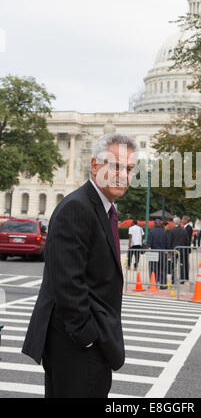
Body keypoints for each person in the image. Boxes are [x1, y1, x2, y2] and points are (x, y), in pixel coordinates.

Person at [22, 133, 137, 398]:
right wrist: (88, 337)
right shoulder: (77, 207)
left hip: (86, 341)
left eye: (129, 169)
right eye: (116, 166)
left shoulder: (102, 208)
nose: (123, 175)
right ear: (96, 166)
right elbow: (67, 283)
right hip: (75, 344)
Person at [147, 219, 170, 289]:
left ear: (154, 224)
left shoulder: (151, 231)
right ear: (160, 224)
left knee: (153, 269)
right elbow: (167, 244)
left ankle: (153, 283)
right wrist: (168, 252)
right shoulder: (164, 232)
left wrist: (146, 250)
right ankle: (163, 285)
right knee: (163, 269)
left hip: (153, 253)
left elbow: (148, 244)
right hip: (163, 253)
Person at [169, 217, 190, 284]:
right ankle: (182, 279)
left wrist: (169, 250)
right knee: (182, 264)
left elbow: (170, 241)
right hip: (182, 250)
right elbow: (187, 241)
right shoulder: (184, 230)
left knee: (173, 264)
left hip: (174, 250)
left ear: (175, 223)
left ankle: (173, 279)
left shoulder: (172, 231)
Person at [182, 215, 193, 281]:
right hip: (184, 247)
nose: (182, 221)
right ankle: (184, 275)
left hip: (185, 247)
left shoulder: (189, 228)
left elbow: (188, 239)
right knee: (183, 262)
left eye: (183, 219)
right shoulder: (184, 227)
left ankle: (186, 276)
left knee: (185, 262)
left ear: (186, 220)